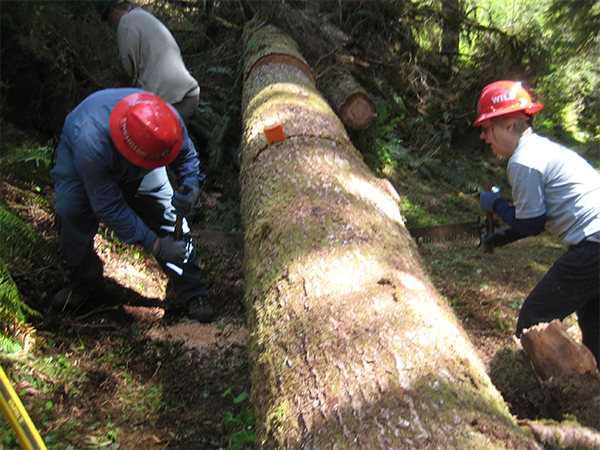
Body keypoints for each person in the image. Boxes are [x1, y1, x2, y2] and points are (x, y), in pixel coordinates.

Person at [50, 88, 214, 322]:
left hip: (144, 159)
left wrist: (191, 185)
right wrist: (155, 245)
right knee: (70, 212)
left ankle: (194, 292)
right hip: (85, 155)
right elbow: (109, 207)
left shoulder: (166, 122)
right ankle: (84, 282)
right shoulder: (92, 141)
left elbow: (186, 156)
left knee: (167, 217)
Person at [476, 80, 600, 364]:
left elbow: (531, 223)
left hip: (593, 245)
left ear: (509, 126)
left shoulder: (523, 160)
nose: (483, 136)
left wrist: (497, 205)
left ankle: (524, 386)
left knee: (534, 317)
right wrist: (507, 235)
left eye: (486, 128)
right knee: (594, 325)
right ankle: (589, 388)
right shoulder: (542, 150)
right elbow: (539, 217)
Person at [93, 0, 199, 125]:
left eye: (109, 19)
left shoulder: (126, 22)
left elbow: (128, 70)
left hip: (171, 100)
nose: (113, 23)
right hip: (186, 94)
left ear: (113, 11)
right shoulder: (143, 15)